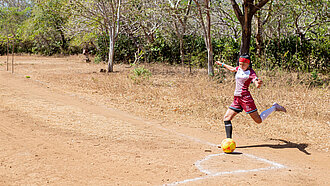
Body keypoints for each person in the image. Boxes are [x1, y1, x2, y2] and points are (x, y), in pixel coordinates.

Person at [215, 54, 286, 139]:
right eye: (240, 64)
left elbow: (256, 83)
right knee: (227, 118)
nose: (242, 66)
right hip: (237, 99)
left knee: (258, 120)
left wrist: (258, 83)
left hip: (246, 99)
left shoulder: (251, 73)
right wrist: (221, 64)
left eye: (244, 64)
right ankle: (228, 141)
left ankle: (274, 107)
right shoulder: (239, 69)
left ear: (248, 64)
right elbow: (232, 69)